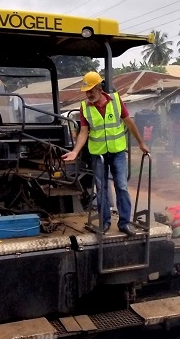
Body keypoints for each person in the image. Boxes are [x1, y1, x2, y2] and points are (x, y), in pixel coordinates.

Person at [63, 71, 150, 236]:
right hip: (98, 155)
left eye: (90, 90)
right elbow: (83, 132)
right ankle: (105, 223)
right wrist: (75, 151)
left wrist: (141, 143)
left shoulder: (116, 101)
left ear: (99, 88)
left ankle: (124, 223)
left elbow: (129, 122)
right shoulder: (84, 108)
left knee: (122, 187)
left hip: (117, 152)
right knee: (102, 189)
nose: (88, 94)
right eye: (86, 91)